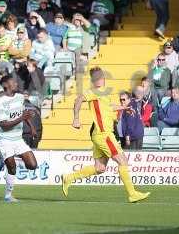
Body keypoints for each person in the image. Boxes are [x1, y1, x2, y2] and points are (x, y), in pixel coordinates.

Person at [62, 67, 150, 203]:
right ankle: (132, 194)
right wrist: (76, 118)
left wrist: (124, 108)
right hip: (104, 134)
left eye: (100, 76)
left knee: (100, 168)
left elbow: (109, 107)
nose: (98, 79)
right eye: (95, 77)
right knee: (123, 161)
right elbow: (78, 100)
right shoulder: (93, 92)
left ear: (103, 77)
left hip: (100, 134)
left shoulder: (105, 93)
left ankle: (69, 178)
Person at [0, 75, 38, 202]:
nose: (16, 83)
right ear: (6, 85)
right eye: (13, 82)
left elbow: (23, 112)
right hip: (5, 139)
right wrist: (21, 118)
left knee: (32, 165)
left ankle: (5, 159)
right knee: (12, 168)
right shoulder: (1, 102)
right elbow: (3, 124)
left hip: (18, 139)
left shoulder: (19, 97)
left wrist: (32, 127)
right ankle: (8, 195)